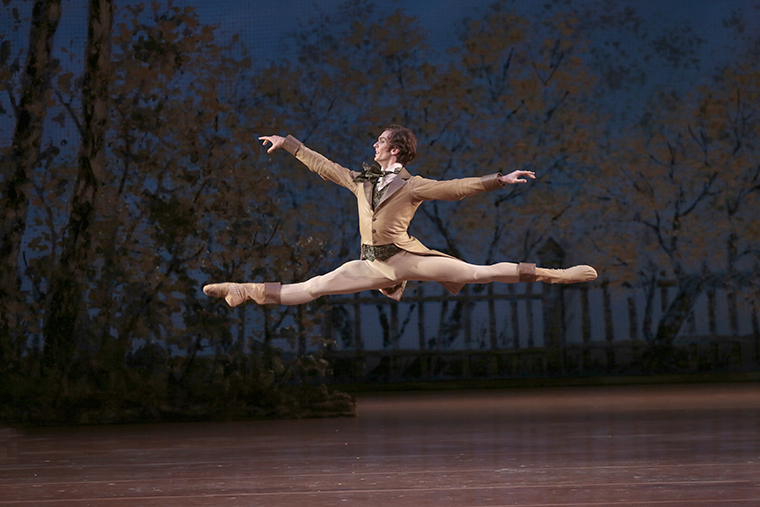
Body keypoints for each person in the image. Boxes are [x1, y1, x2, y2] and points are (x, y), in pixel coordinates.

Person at [203, 125, 597, 307]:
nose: (374, 144)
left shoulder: (413, 185)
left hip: (406, 258)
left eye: (381, 141)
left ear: (395, 151)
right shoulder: (361, 179)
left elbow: (456, 187)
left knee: (479, 272)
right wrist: (289, 144)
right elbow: (325, 167)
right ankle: (244, 290)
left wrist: (500, 179)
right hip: (372, 264)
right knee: (314, 287)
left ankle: (556, 274)